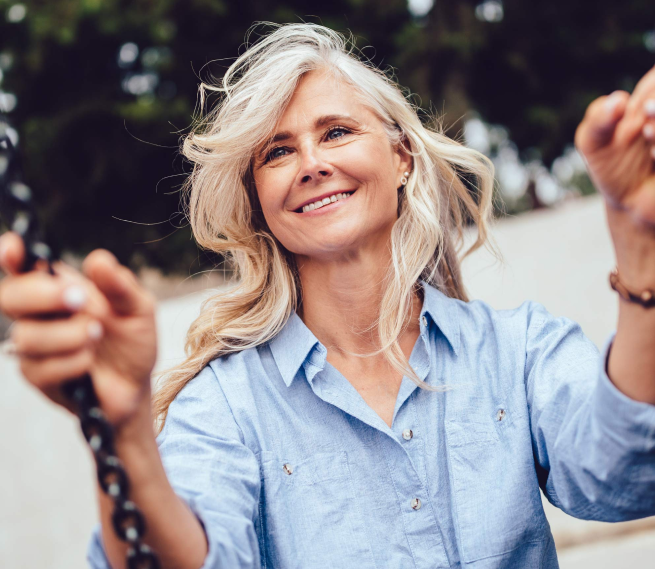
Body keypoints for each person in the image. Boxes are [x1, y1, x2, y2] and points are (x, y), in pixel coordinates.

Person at [1, 22, 655, 569]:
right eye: (277, 152)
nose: (312, 162)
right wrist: (123, 436)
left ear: (401, 157)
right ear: (258, 200)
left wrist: (637, 248)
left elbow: (623, 469)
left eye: (336, 131)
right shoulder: (225, 406)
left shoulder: (516, 349)